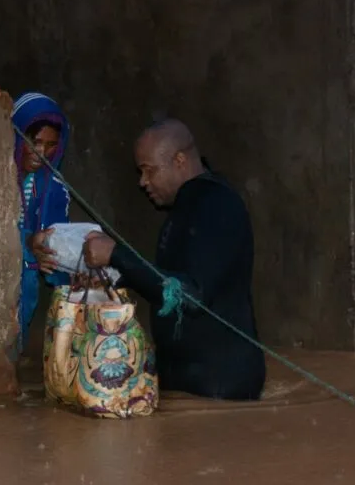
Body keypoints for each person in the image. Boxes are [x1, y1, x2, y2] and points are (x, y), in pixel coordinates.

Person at [82, 119, 266, 400]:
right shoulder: (192, 204)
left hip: (219, 384)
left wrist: (117, 255)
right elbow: (171, 281)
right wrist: (116, 273)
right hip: (194, 380)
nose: (143, 182)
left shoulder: (215, 204)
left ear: (179, 160)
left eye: (150, 170)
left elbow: (190, 295)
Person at [11, 92, 73, 355]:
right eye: (34, 141)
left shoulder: (54, 189)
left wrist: (69, 266)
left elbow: (57, 242)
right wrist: (27, 242)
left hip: (26, 287)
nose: (42, 153)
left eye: (51, 145)